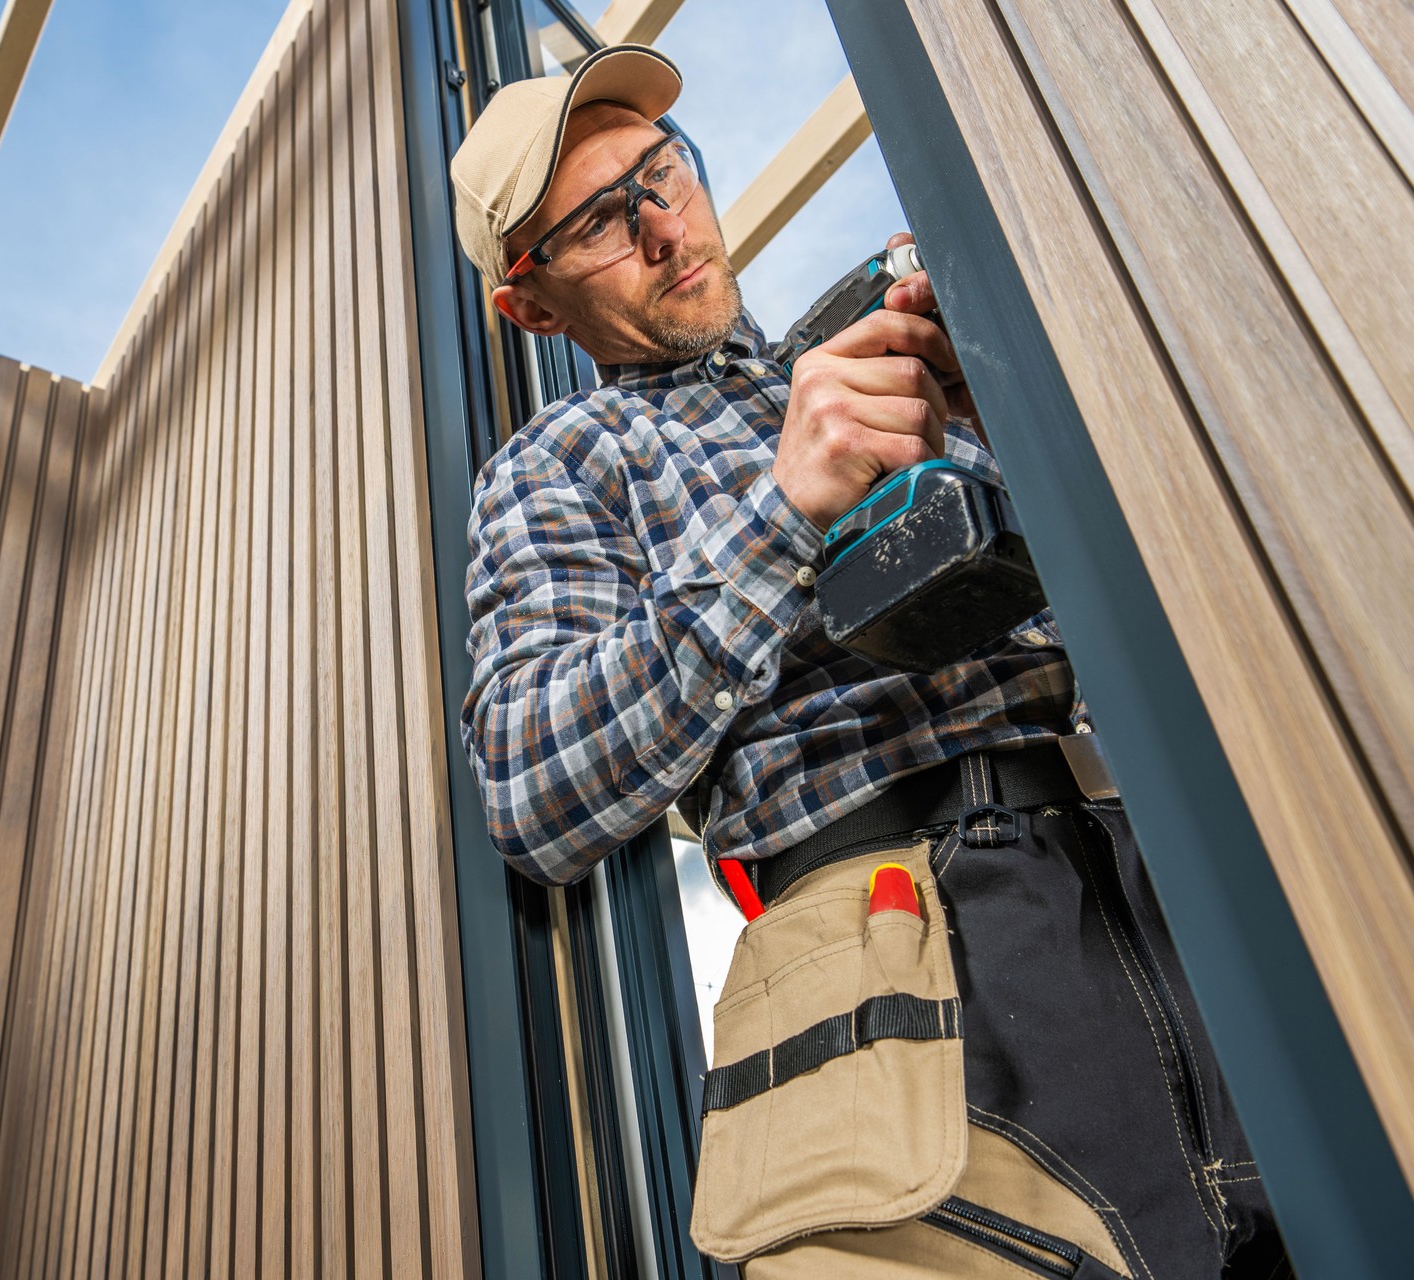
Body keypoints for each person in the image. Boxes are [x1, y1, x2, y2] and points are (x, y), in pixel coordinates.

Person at [450, 43, 1289, 1279]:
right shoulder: (559, 465)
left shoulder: (860, 362)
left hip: (1169, 876)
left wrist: (1015, 416)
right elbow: (536, 789)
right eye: (600, 222)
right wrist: (785, 511)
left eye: (662, 174)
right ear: (530, 303)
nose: (667, 227)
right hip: (897, 959)